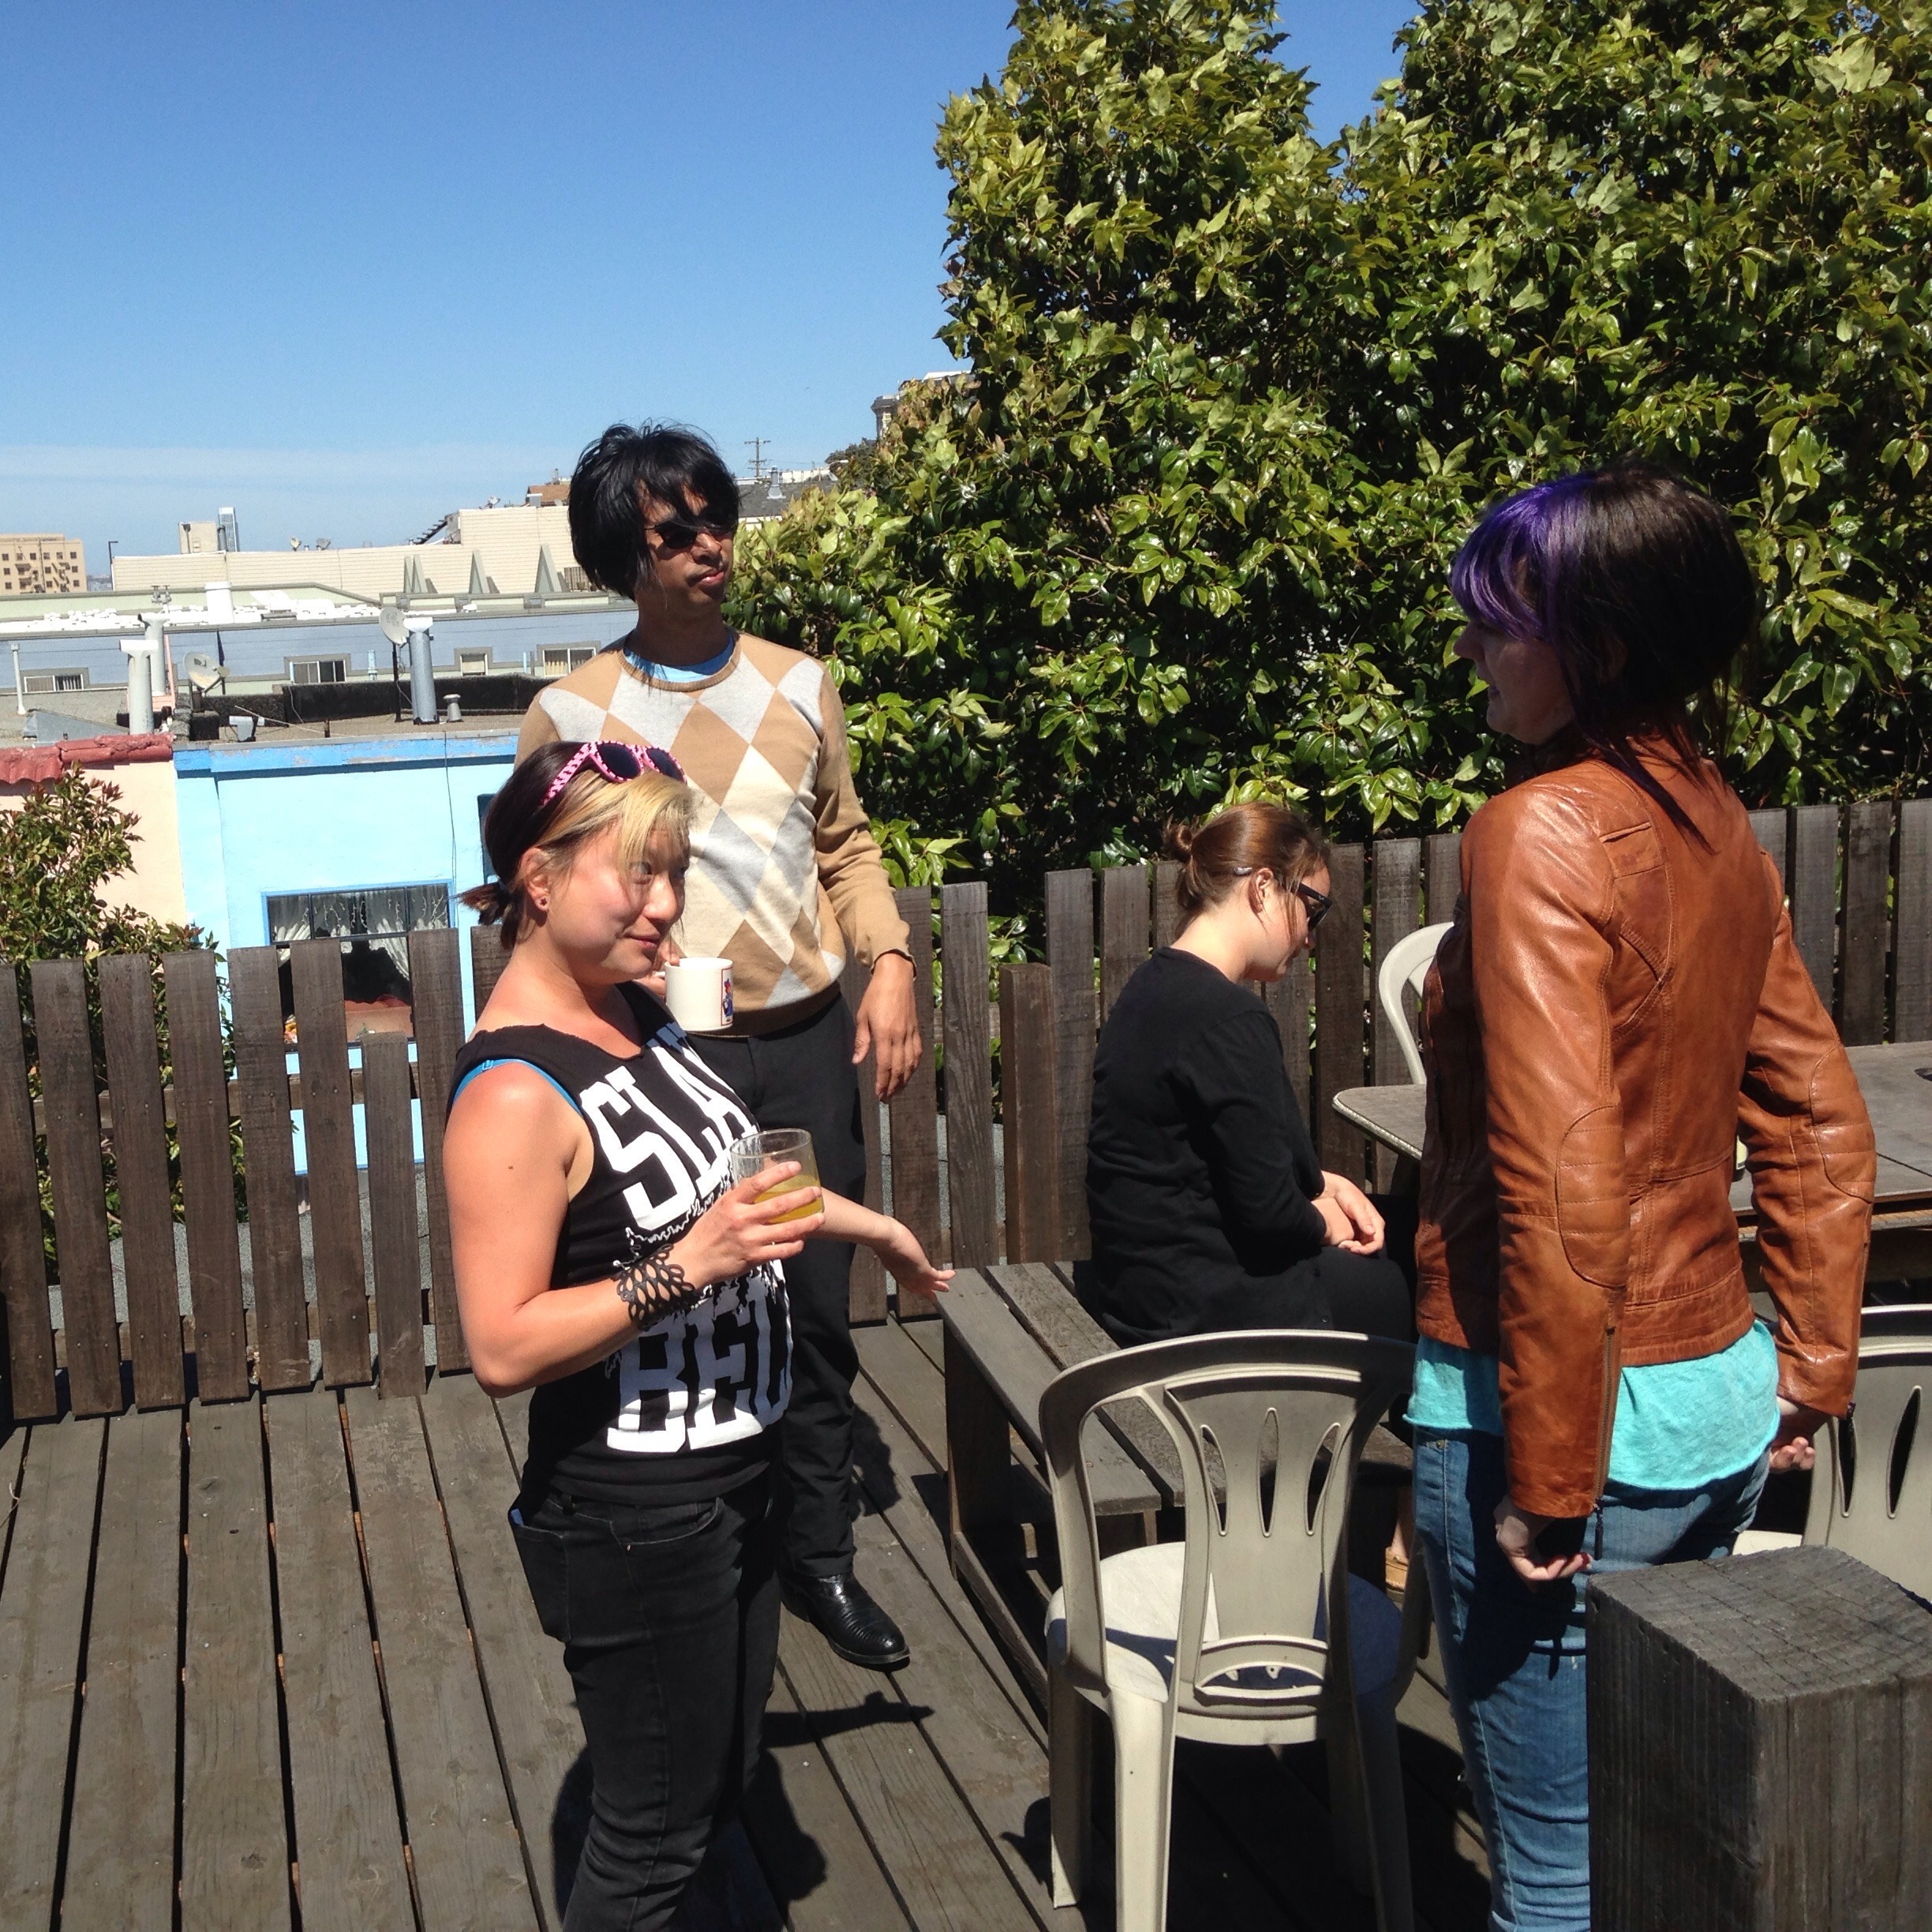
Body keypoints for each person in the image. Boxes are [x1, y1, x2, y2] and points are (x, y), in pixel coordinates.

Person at [1409, 463, 1874, 1930]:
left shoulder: (1536, 827)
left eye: (1499, 620)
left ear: (1595, 644)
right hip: (1714, 1409)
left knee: (1551, 1864)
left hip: (1557, 1423)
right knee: (1652, 1824)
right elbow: (1812, 1111)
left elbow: (1562, 1179)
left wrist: (1544, 1475)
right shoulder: (1714, 823)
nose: (1472, 647)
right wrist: (1806, 1362)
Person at [444, 740, 948, 1932]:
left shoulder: (639, 1017)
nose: (665, 906)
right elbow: (502, 1347)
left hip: (739, 1478)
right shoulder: (513, 1093)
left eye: (674, 873)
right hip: (635, 1517)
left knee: (717, 1793)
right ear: (538, 877)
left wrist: (872, 1229)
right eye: (638, 874)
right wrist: (688, 1268)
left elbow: (737, 1187)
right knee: (650, 1840)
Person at [515, 423, 923, 1672]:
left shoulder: (802, 685)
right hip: (658, 1059)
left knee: (810, 1305)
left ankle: (818, 1557)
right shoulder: (573, 713)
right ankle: (703, 1556)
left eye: (717, 519)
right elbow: (535, 889)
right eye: (675, 532)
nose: (710, 547)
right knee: (681, 1304)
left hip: (801, 1045)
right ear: (619, 559)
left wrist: (890, 959)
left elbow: (845, 846)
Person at [1084, 801, 1413, 1348]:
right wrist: (1331, 1220)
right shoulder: (1228, 1016)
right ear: (1263, 888)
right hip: (1215, 1316)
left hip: (1150, 1293)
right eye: (1315, 908)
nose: (1311, 936)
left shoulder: (1151, 989)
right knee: (1451, 1274)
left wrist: (1333, 1188)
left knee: (1407, 1227)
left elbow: (1228, 1165)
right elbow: (1272, 1217)